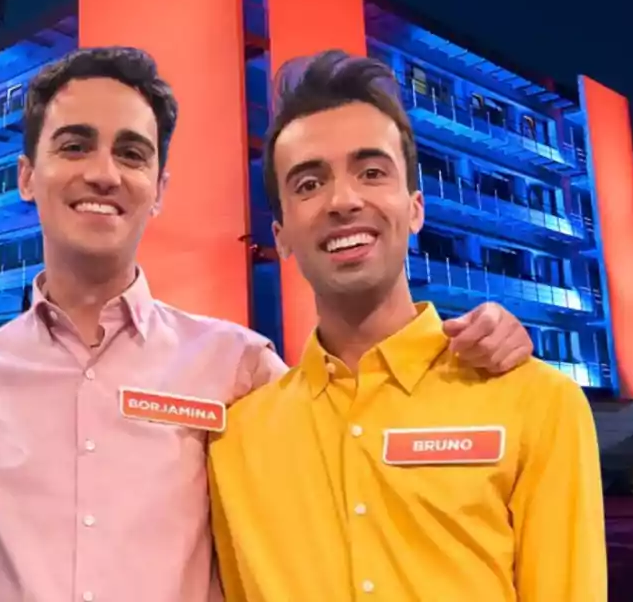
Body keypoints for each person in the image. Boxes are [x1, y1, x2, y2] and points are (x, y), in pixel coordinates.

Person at [0, 47, 536, 602]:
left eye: (133, 153)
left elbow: (356, 431)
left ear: (159, 187)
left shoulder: (239, 369)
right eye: (74, 145)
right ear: (26, 176)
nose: (105, 173)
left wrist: (475, 344)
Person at [208, 50, 607, 601]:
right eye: (308, 184)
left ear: (415, 208)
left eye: (372, 172)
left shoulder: (536, 404)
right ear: (280, 237)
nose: (343, 200)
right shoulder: (235, 442)